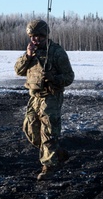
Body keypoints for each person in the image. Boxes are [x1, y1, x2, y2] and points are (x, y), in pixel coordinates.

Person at [15, 19, 75, 180]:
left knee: (48, 132)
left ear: (46, 35)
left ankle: (49, 166)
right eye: (32, 36)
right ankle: (58, 153)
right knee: (31, 131)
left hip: (51, 96)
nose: (36, 39)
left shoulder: (56, 52)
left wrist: (53, 77)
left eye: (39, 36)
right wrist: (27, 56)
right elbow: (19, 71)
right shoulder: (31, 51)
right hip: (34, 97)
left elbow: (69, 77)